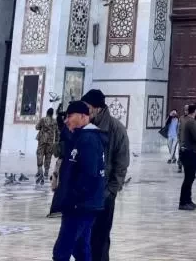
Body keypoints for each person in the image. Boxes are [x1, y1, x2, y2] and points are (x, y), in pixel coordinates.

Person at [51, 100, 107, 261]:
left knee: (62, 250)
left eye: (70, 116)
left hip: (80, 205)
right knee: (81, 249)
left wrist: (74, 197)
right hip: (85, 204)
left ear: (83, 116)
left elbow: (89, 174)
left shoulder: (88, 139)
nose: (67, 120)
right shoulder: (82, 137)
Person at [81, 90, 128, 261]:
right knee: (81, 239)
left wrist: (110, 192)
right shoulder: (83, 126)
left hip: (103, 195)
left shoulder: (116, 129)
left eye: (87, 107)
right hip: (83, 194)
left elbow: (121, 165)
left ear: (97, 108)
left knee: (99, 239)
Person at [177, 103, 196, 211]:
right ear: (195, 111)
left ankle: (188, 200)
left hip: (186, 151)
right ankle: (183, 202)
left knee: (189, 178)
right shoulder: (191, 122)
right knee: (188, 178)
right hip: (190, 152)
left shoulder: (185, 120)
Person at [36, 108, 59, 182]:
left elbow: (37, 127)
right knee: (48, 155)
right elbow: (57, 131)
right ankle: (46, 172)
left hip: (42, 140)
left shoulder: (43, 119)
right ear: (52, 113)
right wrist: (56, 141)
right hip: (50, 141)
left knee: (40, 154)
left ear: (47, 112)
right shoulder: (55, 121)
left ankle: (40, 171)